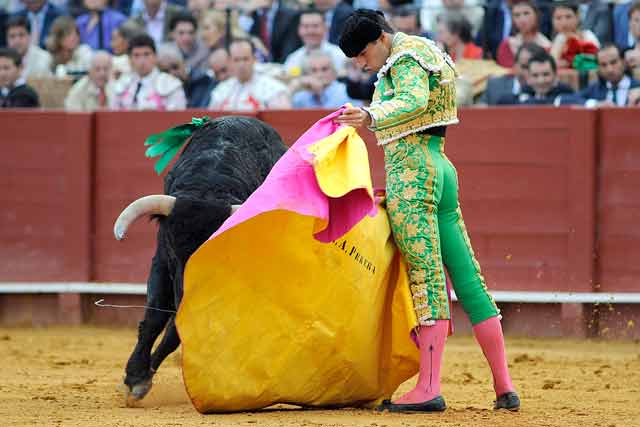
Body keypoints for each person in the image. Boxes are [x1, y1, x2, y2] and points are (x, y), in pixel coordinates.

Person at [335, 9, 519, 413]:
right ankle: (504, 386)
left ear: (380, 39)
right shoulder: (425, 49)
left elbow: (414, 100)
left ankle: (429, 387)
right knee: (469, 279)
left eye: (362, 55)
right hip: (440, 167)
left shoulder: (402, 58)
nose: (362, 65)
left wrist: (369, 115)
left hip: (413, 173)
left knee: (427, 278)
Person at [208, 38, 290, 111]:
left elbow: (282, 121)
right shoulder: (221, 91)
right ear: (230, 61)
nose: (241, 65)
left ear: (254, 59)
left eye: (245, 59)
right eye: (237, 60)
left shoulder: (273, 89)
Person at [110, 33, 186, 110]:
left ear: (155, 57)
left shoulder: (172, 84)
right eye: (136, 55)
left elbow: (177, 116)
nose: (142, 61)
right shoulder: (121, 84)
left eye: (146, 54)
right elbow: (113, 115)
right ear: (129, 59)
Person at [569, 44, 640, 107]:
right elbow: (563, 100)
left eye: (613, 62)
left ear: (624, 62)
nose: (610, 69)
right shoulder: (596, 88)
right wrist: (595, 103)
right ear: (598, 68)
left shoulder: (638, 87)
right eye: (603, 65)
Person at [283, 8, 347, 77]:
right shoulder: (293, 59)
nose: (310, 31)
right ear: (299, 30)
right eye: (305, 26)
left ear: (326, 28)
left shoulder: (340, 56)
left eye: (315, 26)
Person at [481, 42, 546, 105]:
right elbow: (480, 111)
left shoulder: (547, 89)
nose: (528, 73)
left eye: (534, 70)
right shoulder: (495, 86)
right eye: (524, 67)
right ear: (515, 65)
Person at [291, 50, 360, 109]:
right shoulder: (300, 98)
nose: (319, 75)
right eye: (314, 70)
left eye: (324, 69)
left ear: (334, 72)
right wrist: (295, 87)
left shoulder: (348, 93)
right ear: (307, 73)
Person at [496, 0, 550, 68]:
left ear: (536, 15)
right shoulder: (507, 45)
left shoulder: (546, 45)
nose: (522, 19)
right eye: (517, 15)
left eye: (526, 13)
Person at [549, 2, 600, 69]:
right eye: (558, 18)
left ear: (577, 16)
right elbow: (551, 64)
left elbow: (598, 59)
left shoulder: (588, 36)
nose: (564, 22)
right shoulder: (558, 39)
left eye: (568, 17)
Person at [6, 15, 52, 79]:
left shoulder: (44, 58)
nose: (17, 41)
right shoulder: (3, 59)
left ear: (30, 36)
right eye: (12, 36)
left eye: (21, 35)